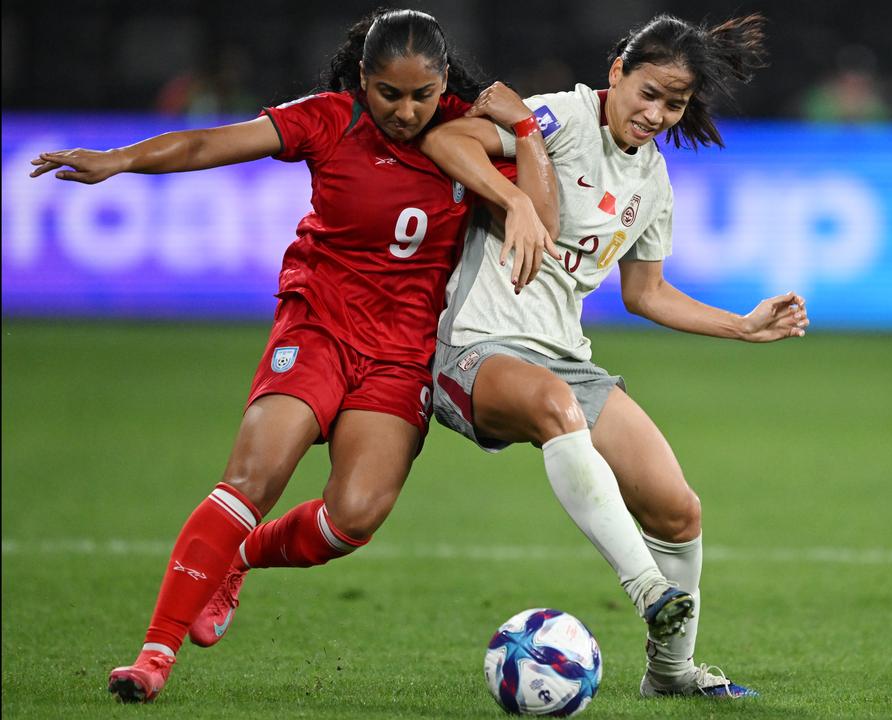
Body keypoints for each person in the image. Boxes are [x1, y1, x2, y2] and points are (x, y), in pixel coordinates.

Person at [30, 9, 559, 702]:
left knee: (355, 517)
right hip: (319, 326)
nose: (405, 111)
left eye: (420, 95)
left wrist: (523, 141)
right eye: (388, 94)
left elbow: (544, 225)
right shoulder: (329, 119)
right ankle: (153, 657)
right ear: (362, 80)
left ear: (443, 84)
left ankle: (237, 558)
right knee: (253, 477)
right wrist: (122, 159)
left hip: (403, 354)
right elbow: (210, 144)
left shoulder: (468, 132)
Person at [420, 13, 806, 698]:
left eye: (675, 104)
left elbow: (647, 293)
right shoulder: (561, 116)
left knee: (677, 510)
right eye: (649, 93)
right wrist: (512, 196)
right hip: (476, 344)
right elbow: (448, 138)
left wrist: (742, 328)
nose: (657, 114)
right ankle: (647, 587)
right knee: (554, 407)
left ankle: (672, 672)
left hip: (565, 359)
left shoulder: (652, 182)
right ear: (617, 72)